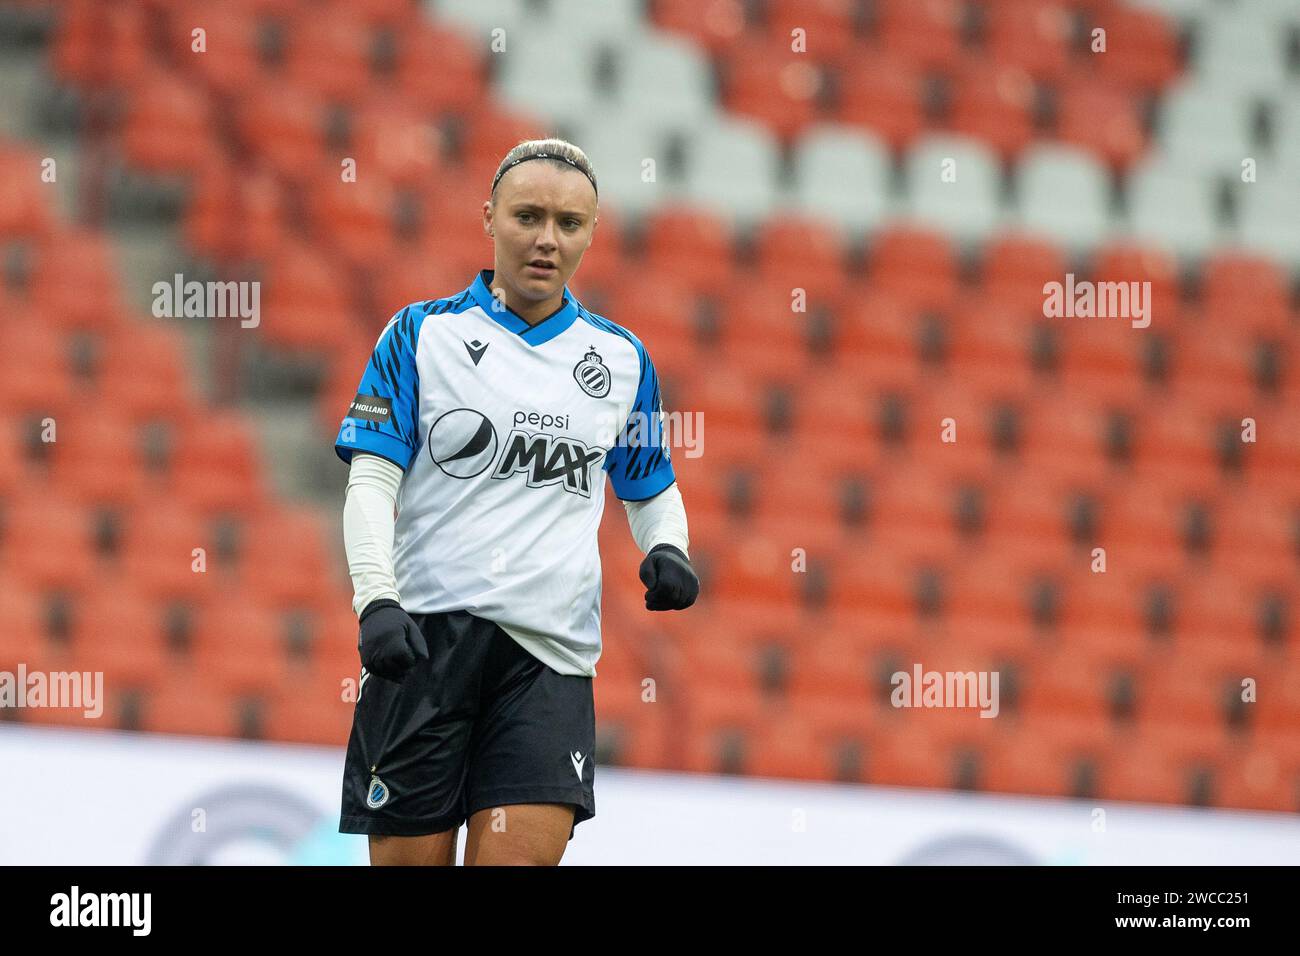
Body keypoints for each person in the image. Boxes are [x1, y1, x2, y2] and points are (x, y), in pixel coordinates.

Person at [334, 138, 699, 865]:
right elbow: (372, 481)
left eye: (569, 223)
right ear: (489, 218)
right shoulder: (420, 334)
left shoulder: (622, 360)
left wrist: (669, 547)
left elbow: (651, 486)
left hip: (548, 660)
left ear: (593, 233)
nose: (546, 239)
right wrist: (377, 599)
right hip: (426, 646)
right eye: (528, 215)